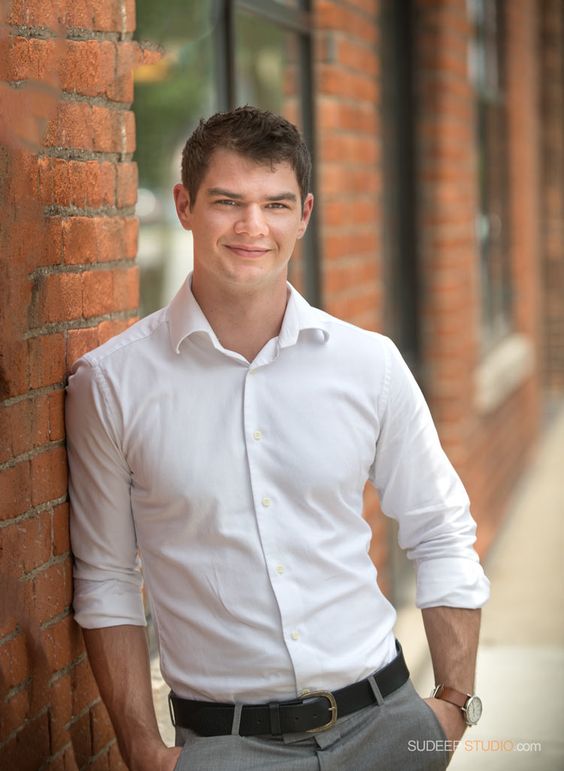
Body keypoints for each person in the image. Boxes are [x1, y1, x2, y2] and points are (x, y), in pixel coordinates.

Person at [66, 106, 490, 771]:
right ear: (184, 204)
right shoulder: (112, 383)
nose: (252, 227)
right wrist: (146, 753)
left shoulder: (368, 364)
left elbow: (440, 529)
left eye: (276, 204)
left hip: (388, 724)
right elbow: (107, 578)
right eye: (227, 202)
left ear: (305, 214)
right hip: (225, 747)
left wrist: (452, 706)